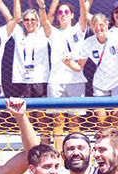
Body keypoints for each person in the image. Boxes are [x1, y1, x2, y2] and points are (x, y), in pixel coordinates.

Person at [36, 0, 90, 148]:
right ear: (57, 17)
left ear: (72, 15)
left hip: (76, 81)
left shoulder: (79, 29)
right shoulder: (53, 32)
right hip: (56, 82)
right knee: (58, 121)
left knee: (74, 122)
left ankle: (76, 152)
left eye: (67, 12)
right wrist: (42, 7)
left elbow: (84, 16)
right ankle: (59, 157)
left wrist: (81, 2)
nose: (63, 15)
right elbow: (44, 21)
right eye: (60, 13)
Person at [65, 13, 118, 97]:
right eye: (95, 25)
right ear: (91, 27)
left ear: (106, 25)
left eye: (101, 24)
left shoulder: (117, 38)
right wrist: (69, 63)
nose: (98, 28)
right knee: (99, 110)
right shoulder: (88, 43)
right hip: (100, 83)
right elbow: (79, 66)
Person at [8, 8, 50, 98]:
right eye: (26, 19)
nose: (30, 22)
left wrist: (42, 6)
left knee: (40, 109)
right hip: (21, 79)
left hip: (40, 79)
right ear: (23, 22)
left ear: (37, 21)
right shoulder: (18, 33)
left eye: (32, 19)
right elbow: (8, 15)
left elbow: (49, 16)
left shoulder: (43, 33)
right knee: (24, 109)